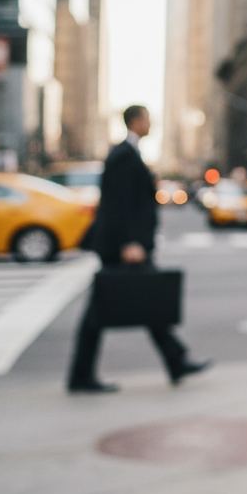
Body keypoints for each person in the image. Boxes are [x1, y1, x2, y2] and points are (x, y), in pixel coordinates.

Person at [67, 106, 212, 393]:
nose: (150, 123)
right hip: (124, 246)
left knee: (147, 300)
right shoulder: (123, 155)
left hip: (125, 244)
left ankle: (176, 360)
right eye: (147, 118)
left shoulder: (128, 153)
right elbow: (119, 203)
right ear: (135, 121)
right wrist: (129, 243)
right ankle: (82, 376)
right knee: (108, 311)